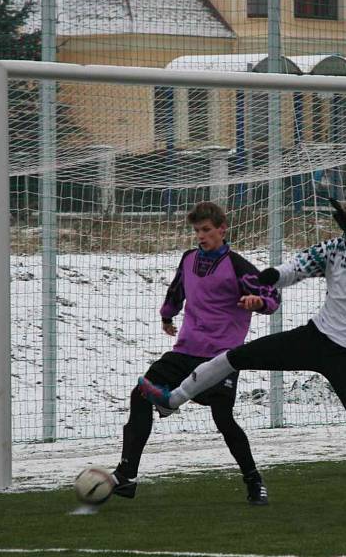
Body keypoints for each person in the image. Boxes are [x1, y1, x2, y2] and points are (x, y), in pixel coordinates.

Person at [139, 197, 346, 522]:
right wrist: (270, 276)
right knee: (236, 356)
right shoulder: (336, 247)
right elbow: (298, 266)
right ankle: (173, 399)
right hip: (318, 337)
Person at [109, 201, 281, 506]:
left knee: (224, 419)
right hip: (186, 350)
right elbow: (178, 290)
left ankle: (254, 480)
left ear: (222, 229)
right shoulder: (189, 259)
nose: (201, 236)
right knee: (140, 394)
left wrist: (259, 302)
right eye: (197, 231)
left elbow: (271, 294)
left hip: (220, 358)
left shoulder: (239, 266)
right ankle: (127, 475)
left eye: (206, 230)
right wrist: (167, 315)